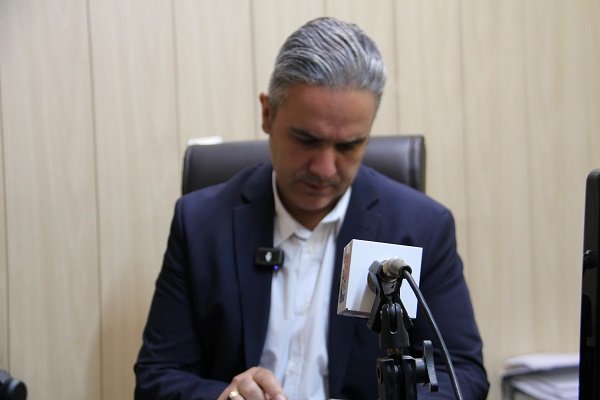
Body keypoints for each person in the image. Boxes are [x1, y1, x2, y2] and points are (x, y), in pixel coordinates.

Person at [134, 16, 489, 400]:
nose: (324, 169)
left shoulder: (420, 228)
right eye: (306, 140)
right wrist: (225, 397)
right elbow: (157, 377)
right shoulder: (201, 224)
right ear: (267, 114)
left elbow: (462, 374)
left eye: (348, 146)